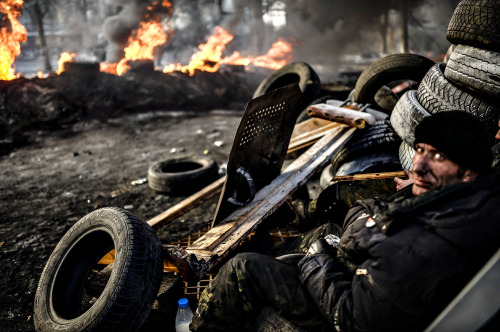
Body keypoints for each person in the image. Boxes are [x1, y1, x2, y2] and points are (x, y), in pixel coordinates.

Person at [191, 111, 500, 332]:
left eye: (439, 157)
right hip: (360, 276)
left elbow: (351, 319)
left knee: (243, 268)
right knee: (326, 227)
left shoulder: (421, 247)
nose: (417, 167)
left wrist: (315, 260)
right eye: (420, 150)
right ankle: (277, 257)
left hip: (347, 304)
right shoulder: (467, 202)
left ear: (469, 172)